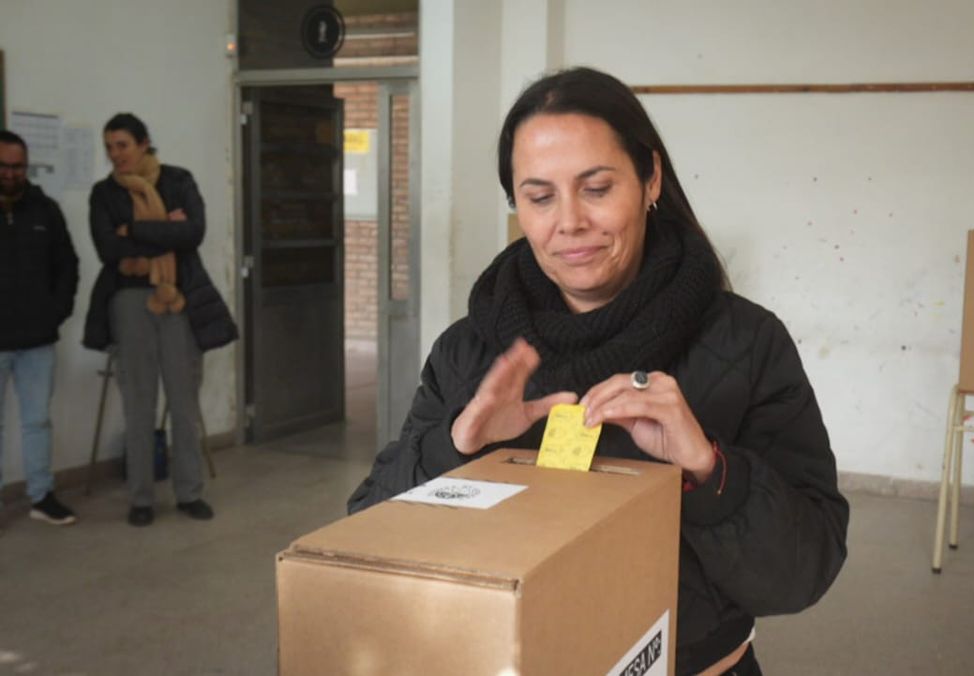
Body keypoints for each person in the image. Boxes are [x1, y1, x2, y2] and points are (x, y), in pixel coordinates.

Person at [348, 67, 848, 675]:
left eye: (596, 188)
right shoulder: (470, 352)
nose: (570, 223)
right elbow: (366, 530)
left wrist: (709, 470)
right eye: (539, 197)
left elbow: (803, 574)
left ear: (650, 179)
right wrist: (457, 447)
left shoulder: (744, 342)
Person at [84, 113, 237, 527]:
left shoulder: (178, 180)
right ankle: (142, 498)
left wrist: (131, 229)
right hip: (129, 302)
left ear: (144, 143)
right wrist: (161, 229)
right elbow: (107, 250)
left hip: (178, 300)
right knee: (138, 403)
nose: (115, 155)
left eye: (122, 145)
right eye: (109, 147)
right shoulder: (104, 193)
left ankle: (189, 492)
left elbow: (193, 234)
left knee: (184, 402)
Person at [0, 130, 80, 527]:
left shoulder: (45, 210)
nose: (11, 174)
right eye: (4, 166)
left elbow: (67, 265)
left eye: (18, 166)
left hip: (37, 339)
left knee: (37, 421)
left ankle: (41, 495)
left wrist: (56, 312)